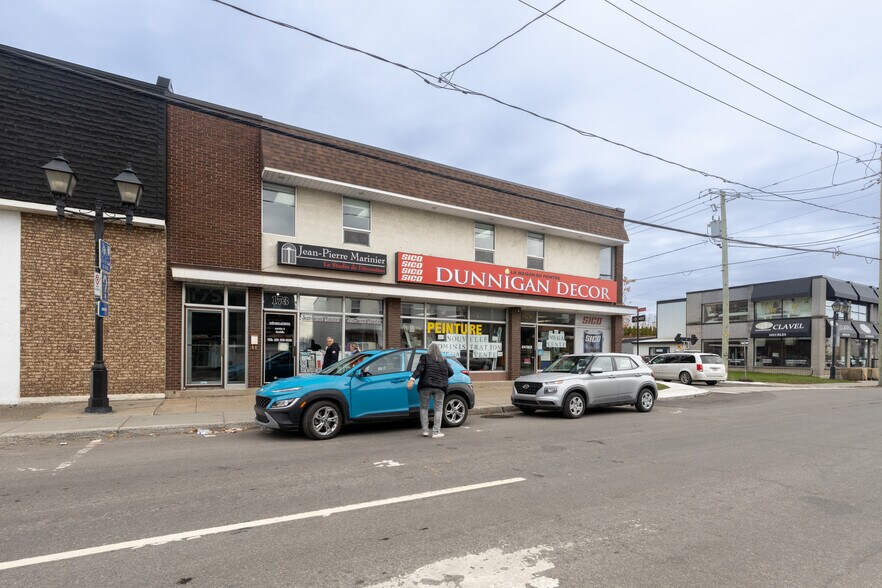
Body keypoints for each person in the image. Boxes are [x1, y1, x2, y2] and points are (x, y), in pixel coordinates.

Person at [407, 343, 453, 439]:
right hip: (440, 387)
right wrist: (442, 377)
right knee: (438, 409)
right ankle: (436, 432)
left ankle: (425, 430)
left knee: (424, 407)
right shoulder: (444, 360)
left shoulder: (425, 357)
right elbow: (451, 372)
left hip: (425, 386)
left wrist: (412, 379)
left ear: (429, 349)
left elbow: (419, 370)